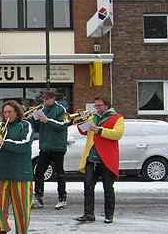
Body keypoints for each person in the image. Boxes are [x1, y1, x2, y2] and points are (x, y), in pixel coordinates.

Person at [0, 100, 34, 234]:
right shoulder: (1, 126)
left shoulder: (25, 125)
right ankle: (0, 233)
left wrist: (3, 142)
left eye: (10, 112)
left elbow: (24, 145)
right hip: (2, 171)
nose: (7, 115)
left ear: (17, 112)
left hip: (21, 172)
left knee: (21, 205)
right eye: (5, 112)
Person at [74, 96, 124, 224]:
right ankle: (88, 214)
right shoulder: (93, 118)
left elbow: (117, 134)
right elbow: (83, 131)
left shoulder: (117, 117)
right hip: (91, 158)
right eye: (95, 105)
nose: (97, 108)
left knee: (108, 188)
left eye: (99, 105)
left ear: (106, 105)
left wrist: (100, 130)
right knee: (88, 187)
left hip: (106, 159)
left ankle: (109, 215)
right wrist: (80, 121)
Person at [32, 90, 70, 210]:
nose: (45, 101)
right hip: (45, 146)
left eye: (47, 99)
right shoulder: (42, 110)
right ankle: (38, 197)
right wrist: (35, 119)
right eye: (44, 99)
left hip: (58, 147)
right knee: (39, 172)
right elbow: (38, 128)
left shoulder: (61, 109)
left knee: (59, 173)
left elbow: (63, 125)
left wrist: (47, 120)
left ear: (53, 98)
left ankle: (62, 198)